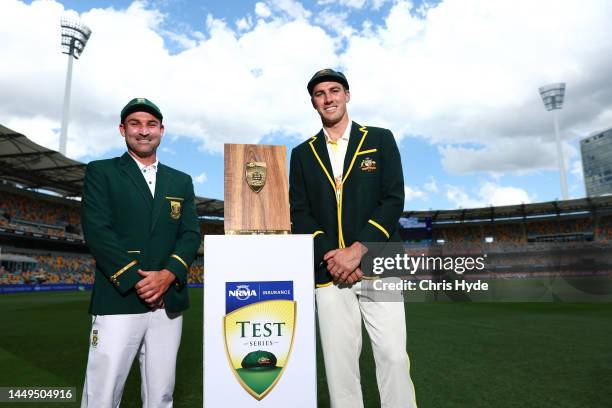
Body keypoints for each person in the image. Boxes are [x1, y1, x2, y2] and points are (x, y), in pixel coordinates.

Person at [289, 69, 417, 407]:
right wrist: (333, 255)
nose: (328, 98)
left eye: (334, 90)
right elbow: (300, 212)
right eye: (320, 93)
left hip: (379, 261)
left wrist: (357, 250)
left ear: (347, 95)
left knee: (393, 356)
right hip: (330, 271)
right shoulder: (302, 153)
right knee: (339, 366)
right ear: (313, 102)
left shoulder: (380, 138)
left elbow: (393, 199)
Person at [80, 98, 200, 407]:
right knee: (103, 393)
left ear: (162, 130)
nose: (143, 131)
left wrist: (167, 275)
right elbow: (97, 231)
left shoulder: (181, 180)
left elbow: (190, 234)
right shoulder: (101, 171)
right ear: (123, 130)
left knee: (161, 394)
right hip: (118, 298)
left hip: (167, 300)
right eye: (135, 124)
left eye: (150, 125)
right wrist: (139, 280)